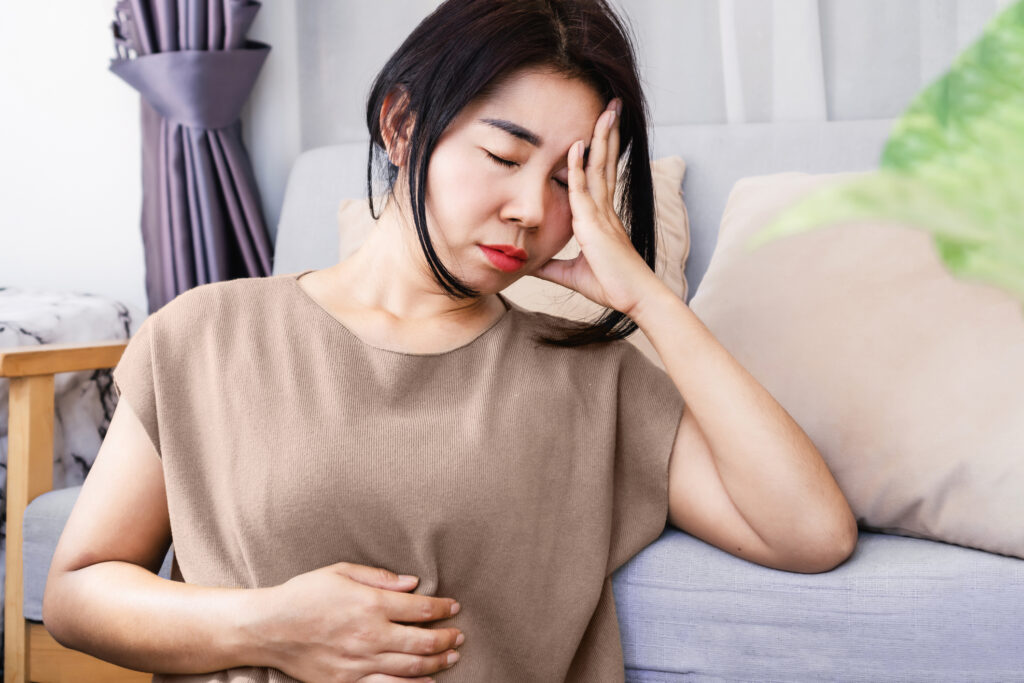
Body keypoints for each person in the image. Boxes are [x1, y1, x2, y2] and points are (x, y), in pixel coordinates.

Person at [42, 1, 858, 681]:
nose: (532, 212)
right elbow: (79, 593)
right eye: (503, 155)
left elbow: (810, 531)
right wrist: (268, 625)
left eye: (569, 182)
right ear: (402, 126)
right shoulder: (206, 336)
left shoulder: (593, 380)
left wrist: (647, 297)